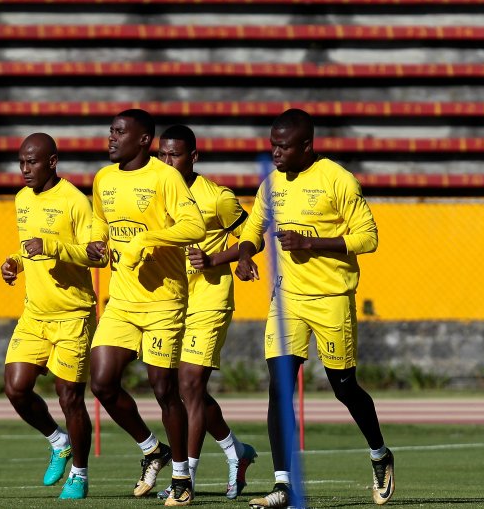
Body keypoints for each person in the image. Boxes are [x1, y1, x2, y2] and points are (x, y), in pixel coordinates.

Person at [235, 109, 393, 508]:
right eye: (272, 145)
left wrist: (312, 243)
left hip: (332, 298)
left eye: (284, 146)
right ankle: (283, 485)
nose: (276, 153)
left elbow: (368, 237)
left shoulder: (338, 180)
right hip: (287, 298)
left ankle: (380, 454)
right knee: (279, 388)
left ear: (307, 145)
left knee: (344, 388)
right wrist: (244, 255)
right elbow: (253, 230)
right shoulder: (271, 184)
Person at [86, 109, 207, 506]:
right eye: (111, 131)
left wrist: (147, 241)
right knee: (102, 382)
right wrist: (97, 243)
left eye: (120, 132)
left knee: (163, 388)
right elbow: (99, 223)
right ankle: (152, 448)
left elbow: (194, 227)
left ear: (143, 139)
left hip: (163, 301)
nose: (112, 137)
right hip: (121, 301)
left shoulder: (165, 177)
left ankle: (182, 476)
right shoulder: (103, 179)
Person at [153, 125, 259, 501]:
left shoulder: (217, 198)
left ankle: (186, 478)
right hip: (168, 298)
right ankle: (237, 452)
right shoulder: (152, 190)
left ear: (193, 157)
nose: (166, 161)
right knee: (181, 391)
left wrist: (218, 258)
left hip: (209, 296)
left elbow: (252, 237)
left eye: (174, 155)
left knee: (190, 385)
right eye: (161, 155)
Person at [0, 133, 103, 499]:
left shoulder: (75, 201)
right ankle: (58, 441)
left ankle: (80, 474)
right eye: (21, 162)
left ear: (52, 161)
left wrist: (54, 247)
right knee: (15, 387)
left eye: (32, 162)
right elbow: (29, 245)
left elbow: (97, 255)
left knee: (69, 397)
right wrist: (14, 262)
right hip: (35, 314)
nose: (25, 169)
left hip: (73, 314)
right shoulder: (22, 198)